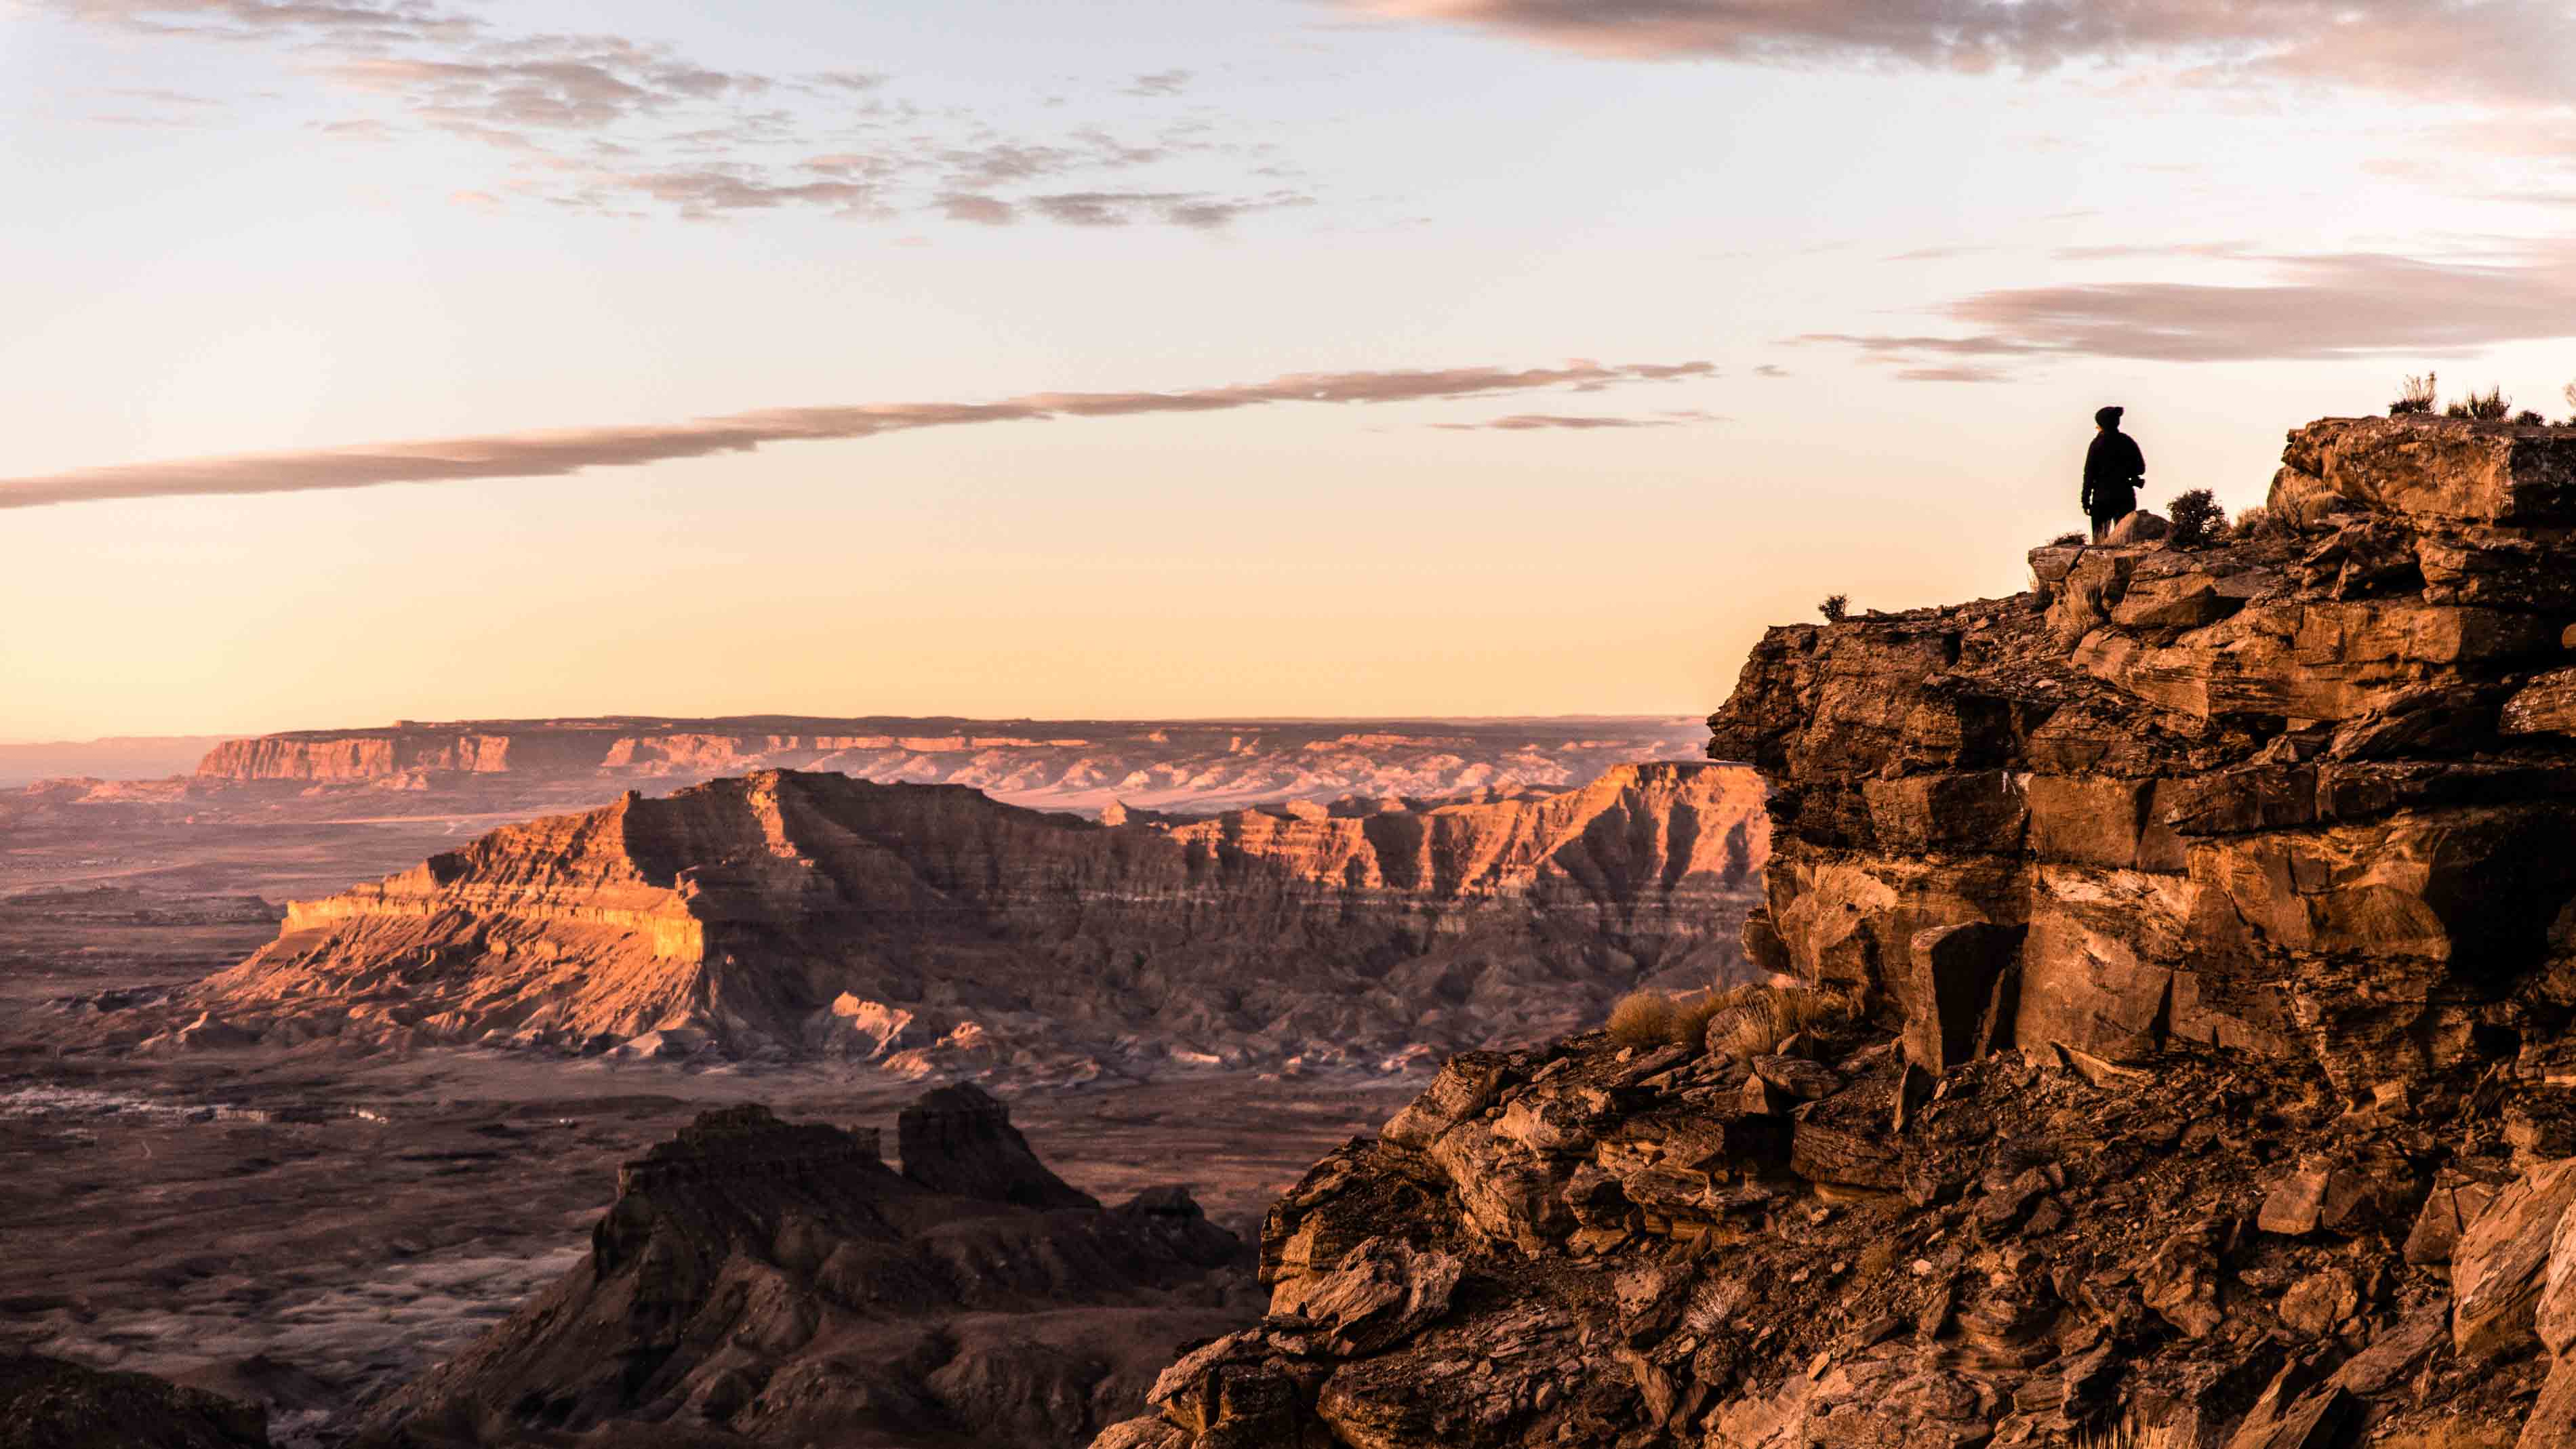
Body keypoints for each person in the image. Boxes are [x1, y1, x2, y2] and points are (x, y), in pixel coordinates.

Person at [2082, 405, 2146, 543]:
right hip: (2125, 496)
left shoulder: (2096, 444)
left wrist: (2085, 501)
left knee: (2099, 542)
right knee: (2126, 540)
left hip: (2101, 499)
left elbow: (2089, 475)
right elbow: (2140, 468)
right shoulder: (2127, 441)